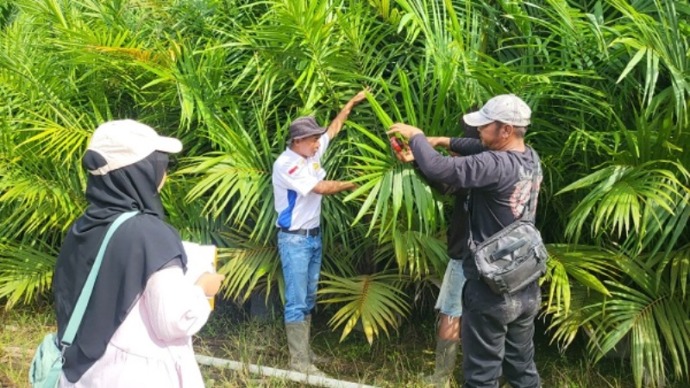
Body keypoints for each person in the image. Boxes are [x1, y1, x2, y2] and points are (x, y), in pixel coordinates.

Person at [53, 119, 225, 387]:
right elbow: (174, 321)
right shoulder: (150, 233)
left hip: (83, 374)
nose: (164, 172)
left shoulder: (84, 226)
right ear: (139, 172)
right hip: (134, 375)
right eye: (159, 164)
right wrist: (203, 288)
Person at [388, 94, 542, 388]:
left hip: (491, 289)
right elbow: (470, 149)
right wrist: (438, 142)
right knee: (522, 368)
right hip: (524, 282)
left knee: (482, 374)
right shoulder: (529, 158)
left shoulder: (494, 164)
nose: (479, 131)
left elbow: (441, 170)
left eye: (485, 125)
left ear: (506, 130)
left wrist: (418, 137)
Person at [272, 90, 367, 375]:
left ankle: (305, 353)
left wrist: (351, 103)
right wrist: (357, 183)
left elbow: (334, 129)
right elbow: (321, 188)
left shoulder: (310, 152)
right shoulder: (286, 164)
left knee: (309, 297)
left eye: (317, 138)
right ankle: (299, 363)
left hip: (313, 237)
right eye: (313, 139)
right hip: (294, 240)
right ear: (298, 141)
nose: (318, 143)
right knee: (297, 300)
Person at [392, 120, 478, 387]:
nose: (455, 146)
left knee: (452, 312)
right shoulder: (502, 165)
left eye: (463, 141)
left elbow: (444, 173)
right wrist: (418, 160)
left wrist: (420, 143)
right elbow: (447, 185)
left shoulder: (481, 167)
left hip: (469, 256)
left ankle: (442, 377)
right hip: (488, 260)